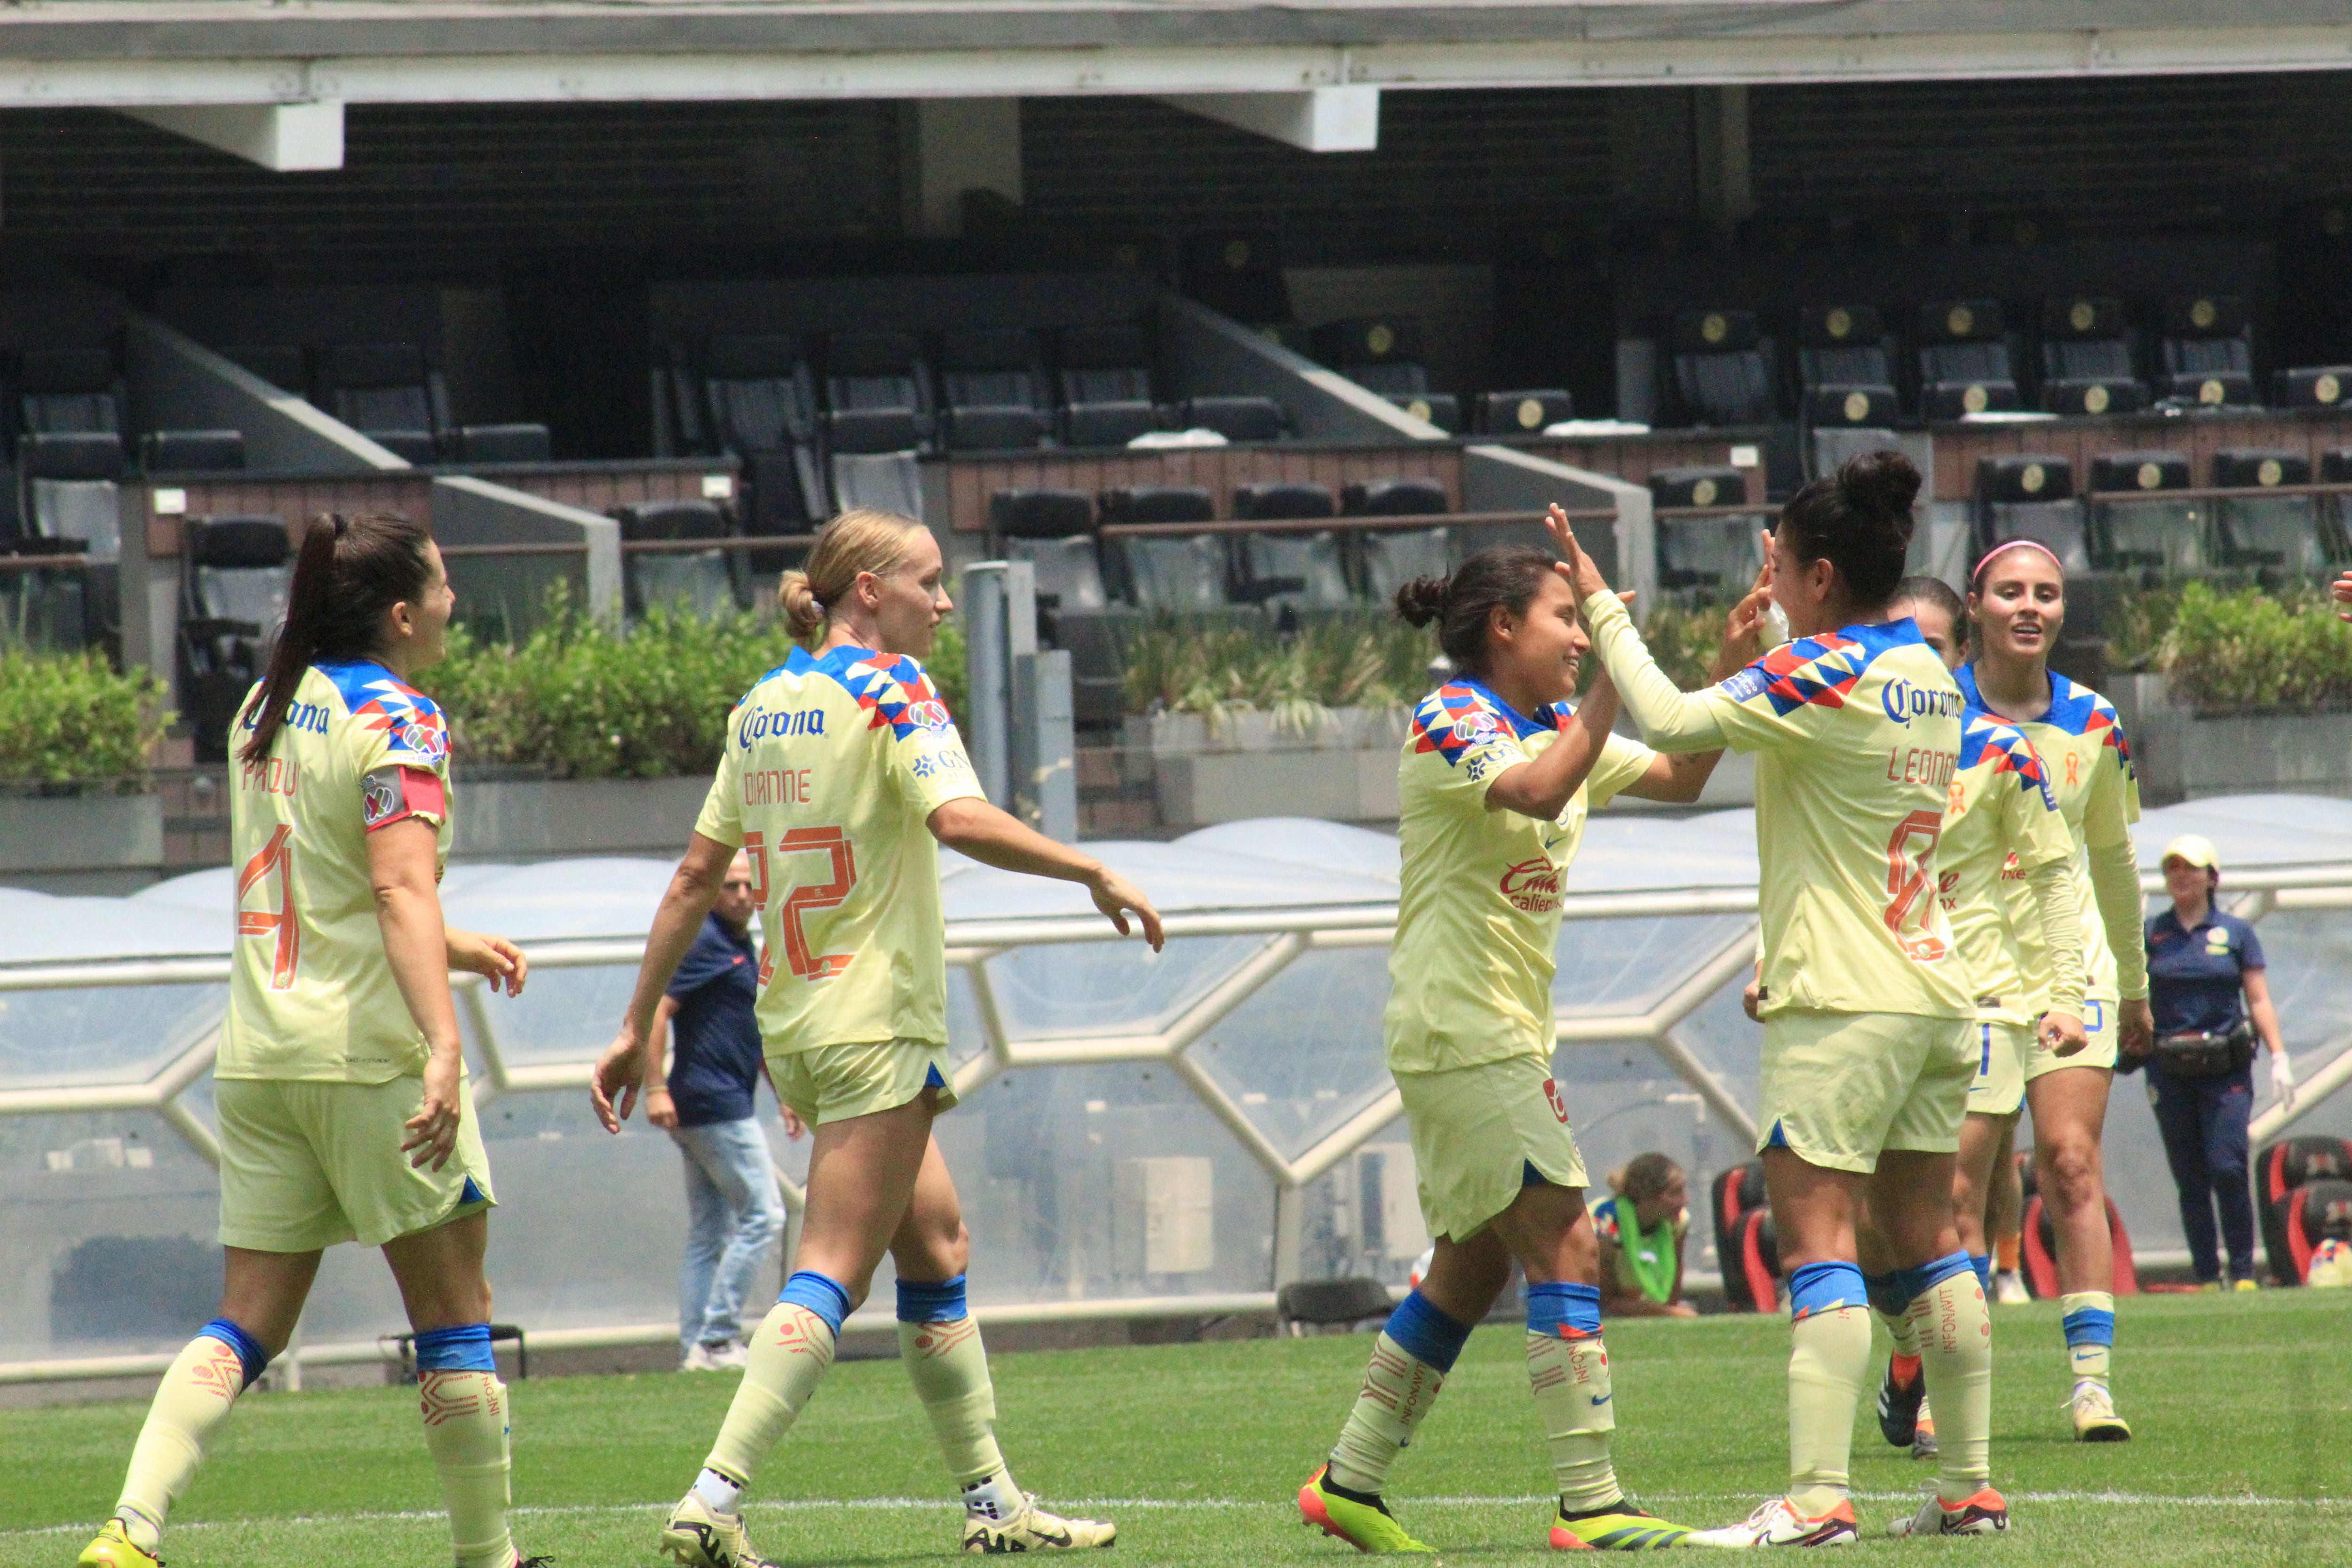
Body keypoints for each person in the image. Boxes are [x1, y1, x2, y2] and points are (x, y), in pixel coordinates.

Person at [589, 509, 1165, 1568]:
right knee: (833, 1270)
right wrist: (1089, 867)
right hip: (873, 1018)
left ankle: (993, 1501)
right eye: (928, 581)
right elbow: (959, 819)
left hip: (799, 1020)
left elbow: (691, 879)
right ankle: (711, 1501)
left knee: (936, 1243)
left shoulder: (763, 702)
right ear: (867, 588)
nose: (942, 601)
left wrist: (634, 1027)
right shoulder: (891, 685)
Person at [78, 513, 538, 1568]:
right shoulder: (402, 718)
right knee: (455, 1315)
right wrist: (443, 1044)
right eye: (446, 582)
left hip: (265, 1054)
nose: (456, 602)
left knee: (246, 1320)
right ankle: (488, 1556)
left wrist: (454, 945)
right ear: (402, 611)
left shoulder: (266, 703)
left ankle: (130, 1528)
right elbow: (394, 883)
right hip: (367, 1054)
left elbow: (333, 882)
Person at [1566, 451, 2009, 1545]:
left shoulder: (1819, 674)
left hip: (1840, 998)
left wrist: (1596, 605)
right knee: (1929, 1245)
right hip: (1932, 991)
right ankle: (1969, 1488)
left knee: (1819, 1247)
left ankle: (1817, 1497)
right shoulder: (1923, 671)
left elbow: (1670, 721)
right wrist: (1780, 627)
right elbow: (1817, 704)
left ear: (1813, 574)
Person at [1298, 539, 1761, 1555]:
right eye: (1564, 616)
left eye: (1578, 617)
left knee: (1468, 1271)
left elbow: (1683, 775)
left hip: (1495, 1030)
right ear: (1502, 628)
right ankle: (1591, 1503)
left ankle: (1348, 1480)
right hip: (1462, 1026)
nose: (1576, 633)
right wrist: (1611, 660)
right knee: (1570, 1240)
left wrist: (1725, 668)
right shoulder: (1453, 717)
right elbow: (1541, 791)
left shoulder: (1557, 720)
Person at [1860, 575, 2087, 1469]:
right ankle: (1912, 1345)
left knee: (1954, 1196)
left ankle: (1944, 1422)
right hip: (1875, 994)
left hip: (1985, 999)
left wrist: (2065, 992)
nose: (1914, 661)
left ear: (1960, 657)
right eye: (1896, 641)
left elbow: (2055, 871)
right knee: (1878, 1218)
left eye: (1932, 646)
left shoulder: (1998, 749)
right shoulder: (1849, 740)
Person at [1957, 540, 2153, 1442]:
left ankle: (2091, 1384)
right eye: (2011, 592)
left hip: (2076, 978)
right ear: (1976, 603)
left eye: (2046, 593)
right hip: (1962, 977)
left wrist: (2137, 984)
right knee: (1958, 1186)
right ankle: (1938, 1380)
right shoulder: (1930, 714)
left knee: (2068, 1162)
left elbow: (2112, 862)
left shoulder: (2097, 723)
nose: (2028, 606)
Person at [644, 848, 796, 1371]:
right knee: (764, 1214)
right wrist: (653, 1087)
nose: (741, 895)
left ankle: (696, 1346)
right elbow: (654, 1013)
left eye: (748, 886)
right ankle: (716, 1339)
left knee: (710, 1230)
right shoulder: (704, 941)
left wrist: (783, 1095)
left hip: (712, 1101)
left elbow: (752, 1032)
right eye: (729, 886)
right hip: (711, 1103)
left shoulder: (739, 943)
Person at [2135, 833, 2294, 1289]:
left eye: (2189, 867)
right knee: (2189, 1177)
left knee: (2226, 1166)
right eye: (2171, 868)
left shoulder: (2236, 933)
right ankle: (2206, 1274)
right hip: (2169, 1068)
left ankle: (2243, 1272)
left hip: (2224, 1067)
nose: (2180, 876)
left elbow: (2258, 999)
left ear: (2210, 876)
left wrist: (2279, 1055)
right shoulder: (2151, 934)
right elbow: (2130, 995)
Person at [1593, 1154, 1698, 1319]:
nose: (1685, 1201)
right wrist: (1668, 1313)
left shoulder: (1678, 1222)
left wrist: (1670, 1312)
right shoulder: (1607, 1223)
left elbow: (1675, 1274)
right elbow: (1605, 1300)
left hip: (1639, 1306)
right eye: (1675, 1193)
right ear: (1647, 1197)